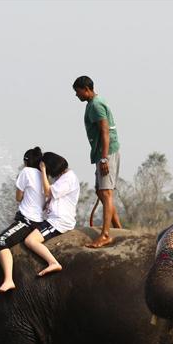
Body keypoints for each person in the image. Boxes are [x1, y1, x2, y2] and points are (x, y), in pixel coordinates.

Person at [73, 75, 123, 248]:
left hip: (106, 153)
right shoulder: (91, 104)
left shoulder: (96, 105)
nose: (76, 95)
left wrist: (104, 158)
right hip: (101, 152)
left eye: (78, 92)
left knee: (106, 192)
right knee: (101, 191)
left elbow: (105, 131)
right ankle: (118, 229)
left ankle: (106, 234)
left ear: (86, 89)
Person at [0, 147, 45, 292]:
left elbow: (18, 197)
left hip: (27, 221)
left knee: (1, 241)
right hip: (38, 221)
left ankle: (8, 280)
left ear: (26, 161)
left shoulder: (26, 171)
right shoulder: (43, 175)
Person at [23, 152, 81, 277]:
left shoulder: (68, 178)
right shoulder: (63, 176)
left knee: (30, 240)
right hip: (54, 219)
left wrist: (43, 171)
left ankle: (53, 262)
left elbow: (48, 192)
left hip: (59, 222)